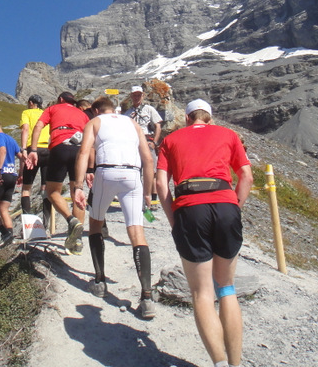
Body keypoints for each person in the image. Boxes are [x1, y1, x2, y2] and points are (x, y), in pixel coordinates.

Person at [155, 99, 253, 367]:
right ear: (209, 117)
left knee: (201, 293)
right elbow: (246, 176)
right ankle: (235, 363)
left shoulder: (171, 140)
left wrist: (174, 219)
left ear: (187, 118)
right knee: (227, 289)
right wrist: (235, 206)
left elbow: (161, 183)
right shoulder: (229, 134)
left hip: (190, 207)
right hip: (225, 204)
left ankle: (219, 363)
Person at [72, 96, 156, 319]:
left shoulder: (95, 122)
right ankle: (147, 296)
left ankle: (100, 281)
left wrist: (78, 186)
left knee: (96, 223)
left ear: (98, 110)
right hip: (132, 174)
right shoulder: (133, 123)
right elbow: (148, 159)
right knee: (137, 231)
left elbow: (83, 152)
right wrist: (148, 193)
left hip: (106, 172)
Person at [26, 91, 89, 254]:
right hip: (79, 151)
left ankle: (71, 220)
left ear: (60, 99)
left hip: (59, 147)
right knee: (78, 192)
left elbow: (38, 126)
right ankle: (77, 242)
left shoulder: (53, 108)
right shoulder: (81, 113)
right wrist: (90, 168)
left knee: (52, 191)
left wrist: (33, 150)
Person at [19, 95, 51, 223]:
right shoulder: (46, 113)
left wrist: (24, 149)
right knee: (45, 187)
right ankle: (46, 223)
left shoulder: (26, 112)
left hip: (33, 150)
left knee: (26, 188)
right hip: (47, 150)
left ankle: (28, 224)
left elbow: (25, 129)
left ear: (31, 103)